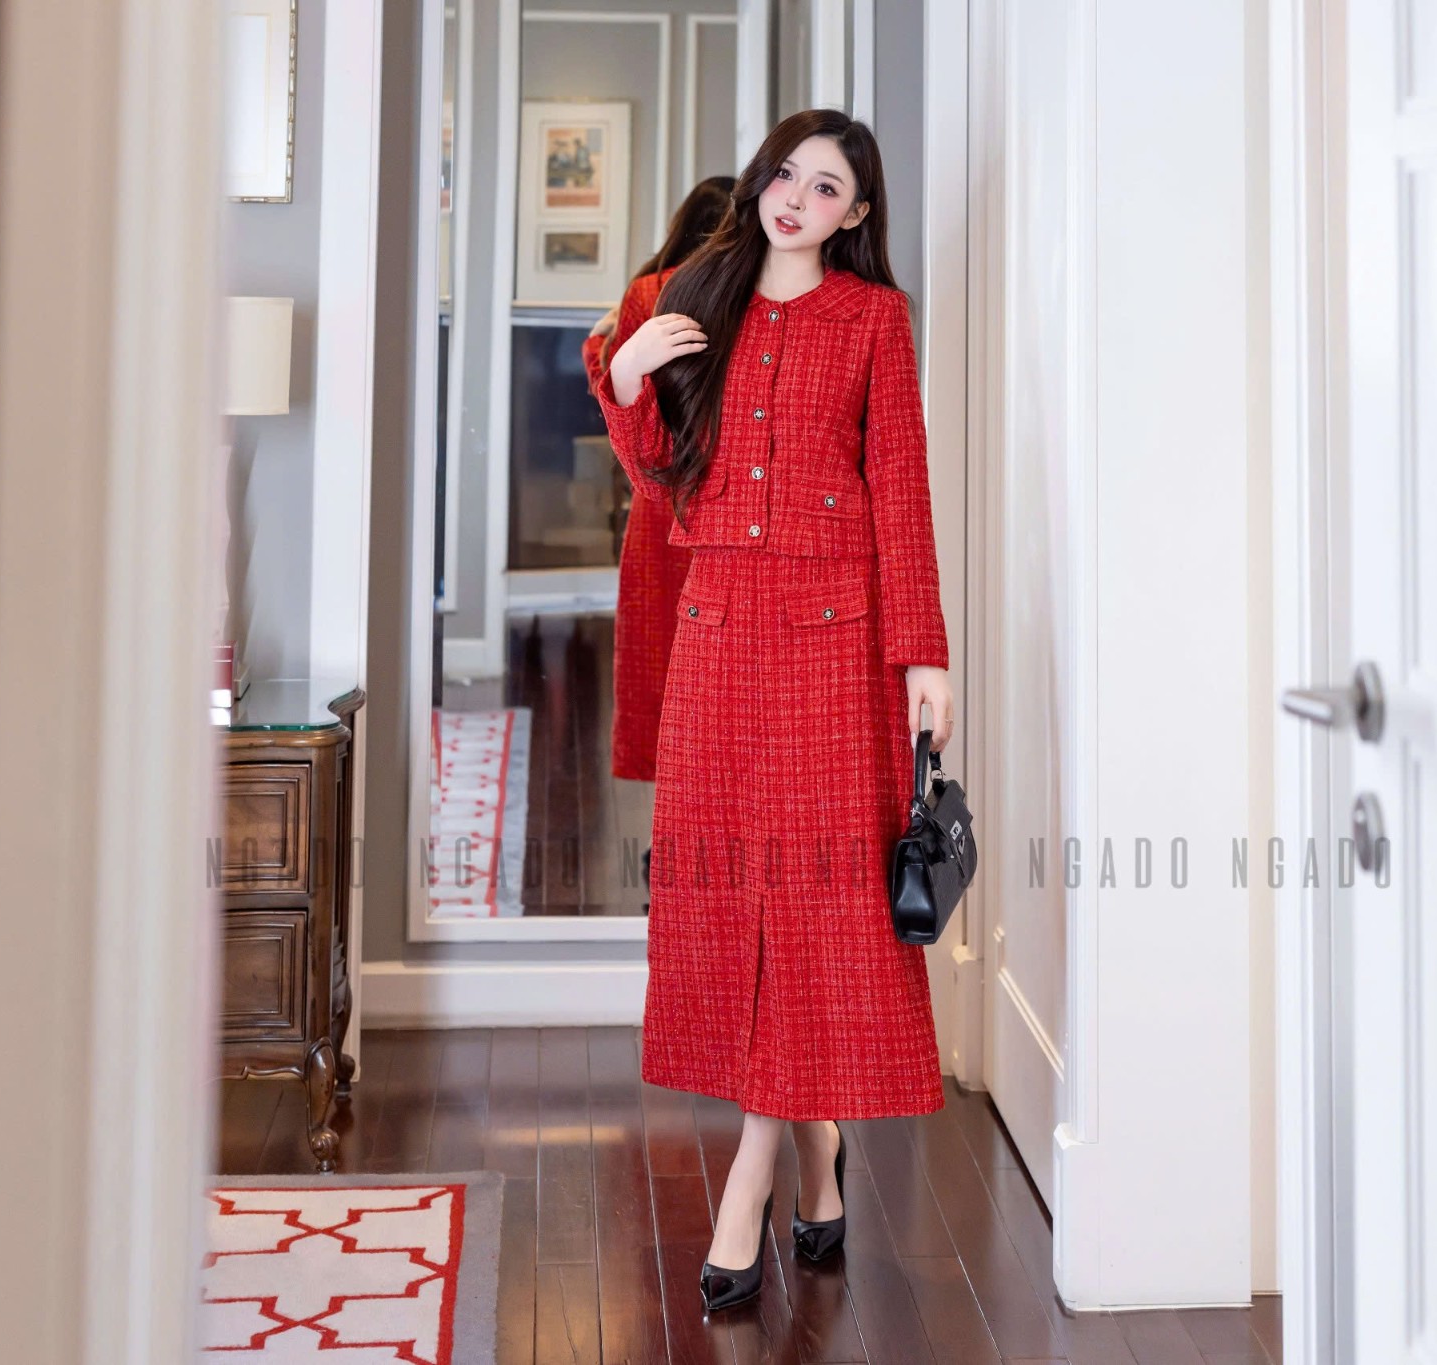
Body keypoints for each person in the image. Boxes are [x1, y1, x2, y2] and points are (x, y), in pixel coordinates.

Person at [596, 108, 956, 1312]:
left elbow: (898, 486)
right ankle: (815, 1155)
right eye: (785, 175)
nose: (796, 198)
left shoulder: (873, 319)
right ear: (760, 183)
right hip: (716, 637)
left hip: (832, 643)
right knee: (728, 897)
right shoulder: (700, 299)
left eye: (826, 186)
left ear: (857, 213)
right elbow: (666, 484)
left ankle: (750, 1176)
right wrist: (630, 380)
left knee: (809, 904)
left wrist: (922, 654)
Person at [582, 178, 734, 901]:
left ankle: (666, 849)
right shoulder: (750, 294)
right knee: (727, 688)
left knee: (664, 674)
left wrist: (605, 340)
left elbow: (609, 380)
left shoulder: (650, 293)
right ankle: (715, 847)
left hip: (660, 513)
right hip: (731, 513)